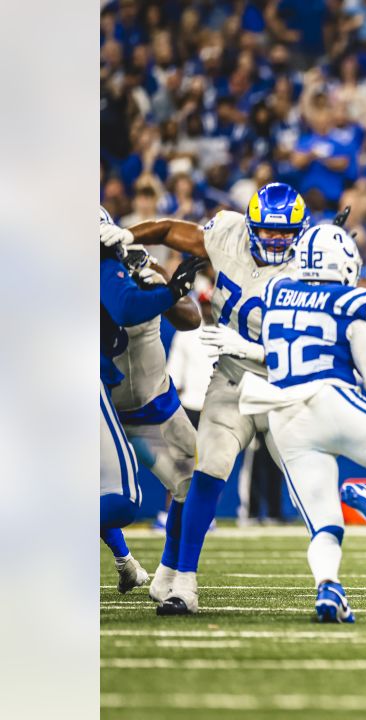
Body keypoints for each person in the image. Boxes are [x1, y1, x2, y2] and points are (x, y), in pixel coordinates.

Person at [236, 224, 366, 622]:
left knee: (325, 526)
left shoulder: (275, 292)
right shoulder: (353, 299)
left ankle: (329, 588)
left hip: (282, 414)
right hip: (330, 399)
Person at [118, 182, 312, 615]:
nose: (278, 239)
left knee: (309, 483)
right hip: (231, 377)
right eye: (269, 231)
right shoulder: (229, 234)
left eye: (287, 232)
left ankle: (330, 580)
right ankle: (183, 581)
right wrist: (127, 236)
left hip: (287, 382)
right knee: (207, 470)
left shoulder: (313, 262)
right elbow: (169, 229)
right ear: (251, 227)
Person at [98, 207, 205, 594]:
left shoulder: (142, 265)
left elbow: (191, 318)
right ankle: (125, 560)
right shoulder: (98, 277)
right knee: (108, 493)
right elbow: (122, 308)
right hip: (104, 403)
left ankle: (168, 572)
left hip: (153, 407)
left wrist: (163, 287)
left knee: (194, 484)